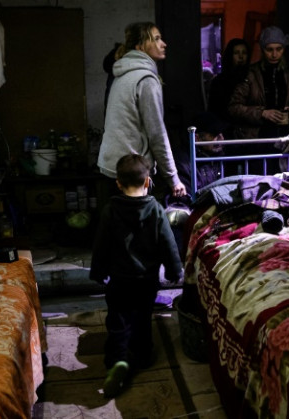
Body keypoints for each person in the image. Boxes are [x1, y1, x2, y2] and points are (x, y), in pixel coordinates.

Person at [90, 153, 183, 398]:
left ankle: (116, 361)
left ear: (118, 183)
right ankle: (142, 356)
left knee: (118, 320)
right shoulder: (155, 210)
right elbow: (168, 242)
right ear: (147, 182)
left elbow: (101, 244)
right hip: (147, 280)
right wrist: (175, 270)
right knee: (142, 318)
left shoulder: (110, 210)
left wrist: (98, 271)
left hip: (119, 279)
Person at [97, 22, 187, 198]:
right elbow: (156, 134)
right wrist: (173, 179)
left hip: (110, 164)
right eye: (157, 39)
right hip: (132, 172)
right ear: (140, 46)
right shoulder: (145, 79)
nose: (164, 44)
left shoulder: (123, 73)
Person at [228, 26, 289, 141]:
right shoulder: (250, 74)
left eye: (279, 49)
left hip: (284, 137)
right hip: (258, 138)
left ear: (284, 49)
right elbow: (234, 108)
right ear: (262, 50)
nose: (274, 54)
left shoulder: (288, 75)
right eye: (269, 49)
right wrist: (262, 113)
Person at [207, 37, 251, 136]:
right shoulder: (219, 82)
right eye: (236, 53)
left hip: (250, 130)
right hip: (226, 131)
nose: (241, 56)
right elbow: (214, 111)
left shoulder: (253, 79)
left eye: (244, 53)